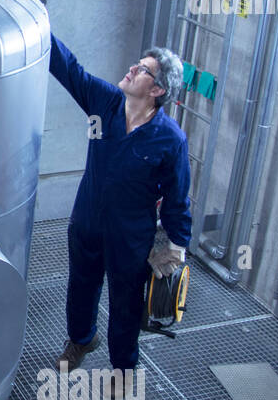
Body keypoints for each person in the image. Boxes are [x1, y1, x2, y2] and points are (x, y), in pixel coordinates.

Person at [49, 33, 192, 382]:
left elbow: (177, 197)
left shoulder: (170, 139)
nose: (131, 69)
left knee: (126, 302)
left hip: (130, 235)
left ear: (156, 90)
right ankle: (82, 340)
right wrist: (40, 23)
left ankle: (124, 369)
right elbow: (70, 70)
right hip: (87, 220)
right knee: (81, 285)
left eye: (142, 69)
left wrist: (176, 245)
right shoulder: (106, 102)